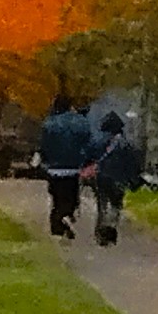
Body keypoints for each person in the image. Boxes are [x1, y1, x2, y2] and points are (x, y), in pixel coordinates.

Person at [36, 92, 98, 239]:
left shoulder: (49, 124)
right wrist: (88, 161)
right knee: (71, 195)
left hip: (54, 168)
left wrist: (44, 161)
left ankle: (58, 225)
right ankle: (67, 215)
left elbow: (44, 145)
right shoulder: (81, 123)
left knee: (56, 196)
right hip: (73, 167)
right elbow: (88, 144)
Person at [87, 107, 143, 248]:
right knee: (116, 205)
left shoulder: (99, 142)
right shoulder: (126, 144)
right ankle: (111, 230)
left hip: (102, 176)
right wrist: (134, 181)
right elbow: (132, 163)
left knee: (102, 203)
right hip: (119, 179)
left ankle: (101, 232)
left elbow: (90, 157)